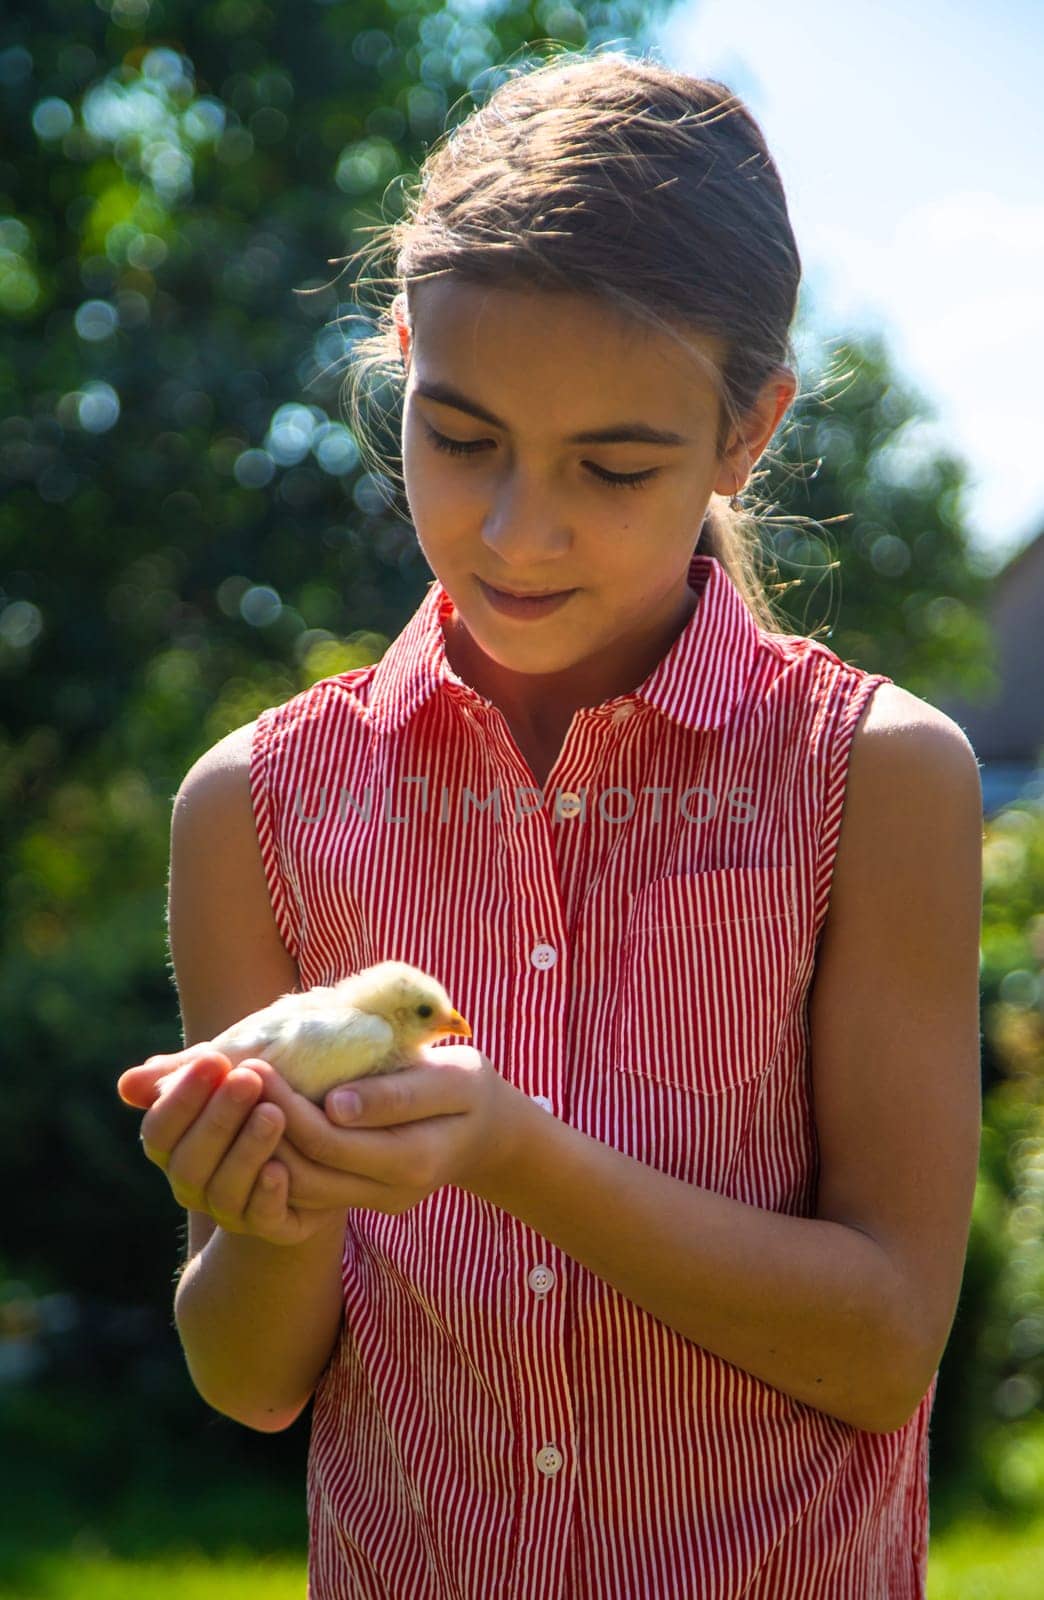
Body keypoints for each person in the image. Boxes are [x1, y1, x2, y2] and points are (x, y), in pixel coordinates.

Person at [118, 46, 983, 1600]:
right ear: (400, 358)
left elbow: (884, 1345)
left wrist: (510, 1150)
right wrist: (271, 1203)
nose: (517, 531)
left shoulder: (876, 779)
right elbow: (250, 1377)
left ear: (747, 434)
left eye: (614, 465)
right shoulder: (255, 805)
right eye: (458, 439)